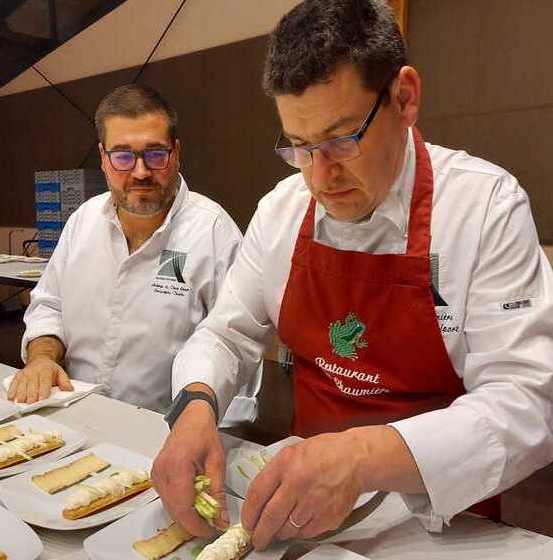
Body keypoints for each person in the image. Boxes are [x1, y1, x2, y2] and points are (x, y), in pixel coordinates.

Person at [151, 0, 553, 550]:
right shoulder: (281, 211)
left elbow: (529, 401)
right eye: (298, 145)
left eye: (342, 139)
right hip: (295, 505)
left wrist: (361, 457)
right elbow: (228, 331)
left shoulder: (484, 208)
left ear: (404, 98)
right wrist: (195, 404)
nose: (319, 175)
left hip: (438, 517)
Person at [10, 84, 260, 423]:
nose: (140, 171)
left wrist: (209, 435)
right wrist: (42, 357)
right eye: (123, 156)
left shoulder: (213, 234)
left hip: (165, 431)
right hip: (70, 413)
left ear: (176, 152)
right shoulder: (82, 222)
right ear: (103, 157)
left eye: (155, 154)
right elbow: (50, 304)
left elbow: (234, 347)